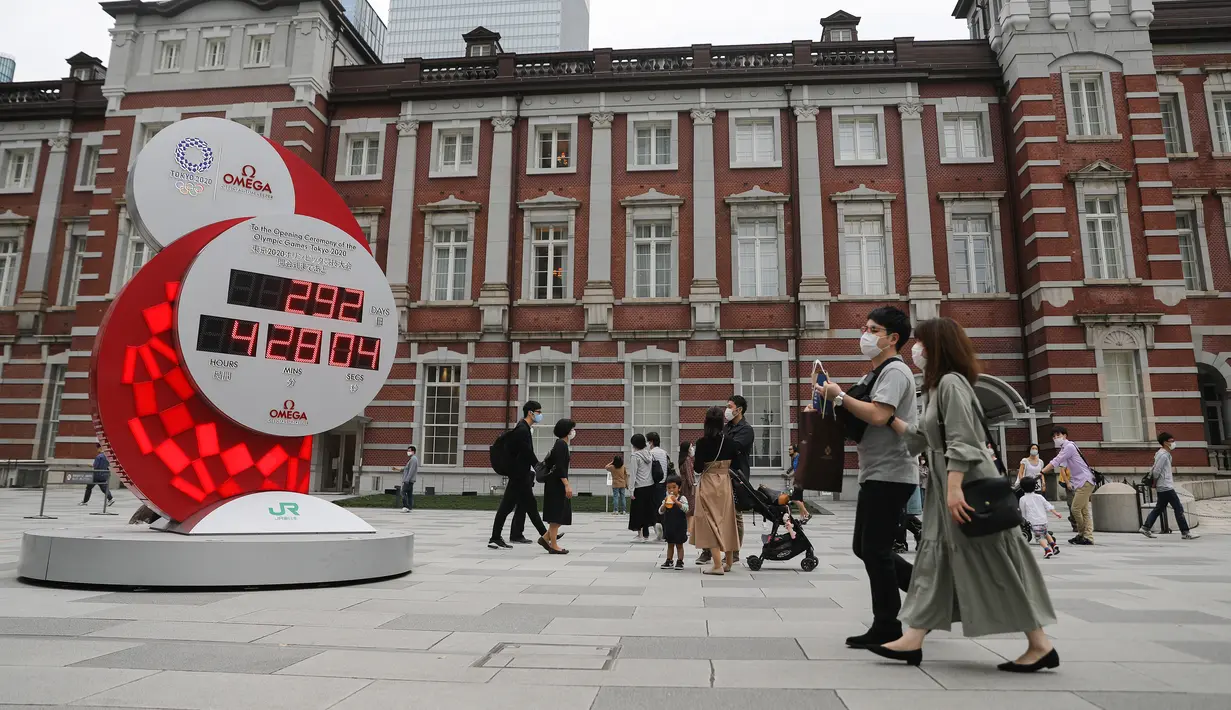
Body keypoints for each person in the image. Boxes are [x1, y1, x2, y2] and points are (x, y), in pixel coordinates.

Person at [874, 317, 1058, 672]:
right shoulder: (935, 388)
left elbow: (963, 440)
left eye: (922, 343)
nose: (917, 349)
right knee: (938, 565)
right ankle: (914, 637)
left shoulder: (951, 384)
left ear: (937, 347)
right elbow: (925, 438)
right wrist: (888, 419)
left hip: (968, 491)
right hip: (949, 494)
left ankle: (1039, 643)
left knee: (994, 562)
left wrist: (955, 489)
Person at [821, 306, 918, 648]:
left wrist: (840, 397)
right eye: (866, 327)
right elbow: (857, 415)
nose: (866, 334)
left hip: (892, 471)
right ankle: (929, 590)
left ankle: (887, 623)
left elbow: (879, 415)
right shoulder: (873, 373)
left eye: (873, 329)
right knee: (865, 547)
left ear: (893, 339)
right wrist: (830, 402)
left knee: (874, 549)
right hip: (876, 470)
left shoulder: (894, 372)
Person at [489, 401, 549, 550]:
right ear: (530, 412)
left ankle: (546, 536)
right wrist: (538, 465)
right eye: (538, 412)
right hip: (519, 475)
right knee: (520, 506)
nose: (540, 415)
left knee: (518, 506)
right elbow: (526, 451)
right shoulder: (522, 429)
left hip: (520, 474)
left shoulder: (523, 428)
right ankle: (546, 537)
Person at [693, 406, 741, 575]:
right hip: (725, 483)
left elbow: (698, 468)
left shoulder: (702, 442)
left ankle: (716, 564)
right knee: (727, 520)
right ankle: (728, 562)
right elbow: (737, 463)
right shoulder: (729, 441)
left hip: (708, 483)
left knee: (709, 522)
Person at [1038, 426, 1096, 545]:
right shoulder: (1065, 448)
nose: (1056, 438)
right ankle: (1087, 536)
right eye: (1054, 437)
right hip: (1080, 481)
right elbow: (1061, 464)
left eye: (1058, 435)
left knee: (1075, 508)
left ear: (1065, 436)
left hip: (1085, 480)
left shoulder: (1069, 446)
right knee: (1084, 511)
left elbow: (1056, 461)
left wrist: (1042, 471)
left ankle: (1082, 533)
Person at [1140, 432, 1200, 540]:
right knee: (1178, 508)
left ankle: (1146, 527)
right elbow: (1157, 471)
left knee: (1159, 508)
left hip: (1163, 486)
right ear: (1165, 442)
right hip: (1165, 486)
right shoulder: (1163, 455)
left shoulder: (1162, 454)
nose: (1173, 443)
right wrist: (1156, 482)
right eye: (1171, 441)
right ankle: (1185, 532)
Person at [540, 419, 575, 554]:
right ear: (567, 430)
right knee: (556, 515)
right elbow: (560, 467)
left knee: (562, 514)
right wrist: (567, 485)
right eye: (572, 429)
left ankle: (546, 538)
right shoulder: (561, 444)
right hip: (557, 484)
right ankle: (553, 545)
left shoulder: (561, 444)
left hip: (556, 483)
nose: (573, 431)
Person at [1019, 477, 1062, 558]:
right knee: (1045, 533)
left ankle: (1047, 549)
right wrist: (1056, 513)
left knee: (1039, 538)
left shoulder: (1022, 499)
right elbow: (1048, 505)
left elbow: (1023, 511)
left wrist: (1023, 520)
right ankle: (1053, 545)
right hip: (1043, 520)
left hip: (1034, 521)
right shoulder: (1039, 496)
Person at [627, 434, 657, 542]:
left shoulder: (635, 456)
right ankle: (647, 534)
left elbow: (633, 474)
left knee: (638, 511)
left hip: (639, 487)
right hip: (650, 485)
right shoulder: (649, 454)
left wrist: (631, 490)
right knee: (647, 510)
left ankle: (640, 535)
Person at [659, 475, 690, 569]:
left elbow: (686, 509)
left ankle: (680, 561)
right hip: (669, 525)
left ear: (679, 488)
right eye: (668, 488)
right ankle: (669, 560)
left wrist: (676, 502)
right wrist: (664, 504)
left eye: (674, 487)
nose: (671, 490)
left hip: (680, 526)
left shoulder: (682, 498)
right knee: (670, 544)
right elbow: (660, 511)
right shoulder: (666, 498)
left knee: (679, 544)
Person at [647, 432, 670, 541]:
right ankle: (665, 531)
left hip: (654, 483)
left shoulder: (651, 453)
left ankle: (657, 527)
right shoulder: (664, 453)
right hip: (664, 483)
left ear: (651, 441)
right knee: (663, 506)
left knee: (654, 508)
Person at [677, 441, 697, 541]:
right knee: (691, 508)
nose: (692, 449)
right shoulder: (687, 460)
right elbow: (689, 476)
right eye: (691, 447)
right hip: (689, 488)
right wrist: (693, 485)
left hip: (684, 486)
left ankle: (687, 528)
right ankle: (690, 529)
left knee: (686, 507)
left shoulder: (682, 459)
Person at [397, 445, 418, 512]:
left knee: (403, 492)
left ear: (413, 452)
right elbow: (406, 469)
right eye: (408, 451)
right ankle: (409, 507)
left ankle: (406, 506)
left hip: (408, 480)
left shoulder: (413, 459)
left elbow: (411, 471)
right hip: (410, 480)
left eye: (409, 451)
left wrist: (407, 480)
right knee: (409, 494)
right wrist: (398, 469)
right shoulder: (412, 459)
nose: (408, 452)